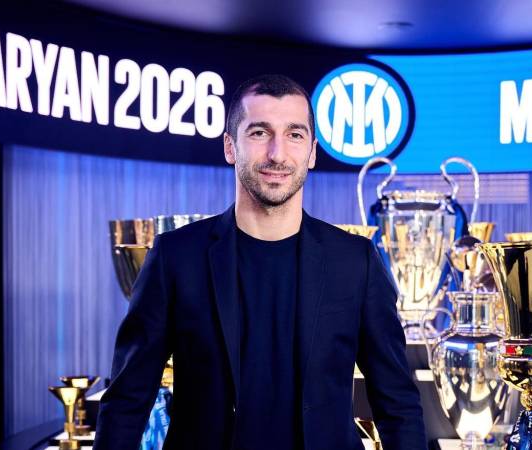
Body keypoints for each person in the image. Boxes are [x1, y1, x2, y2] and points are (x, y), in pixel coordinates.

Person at [94, 74, 426, 450]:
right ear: (230, 146)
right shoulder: (175, 257)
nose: (277, 154)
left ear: (312, 152)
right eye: (259, 133)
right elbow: (126, 401)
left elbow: (398, 405)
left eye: (294, 134)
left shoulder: (356, 262)